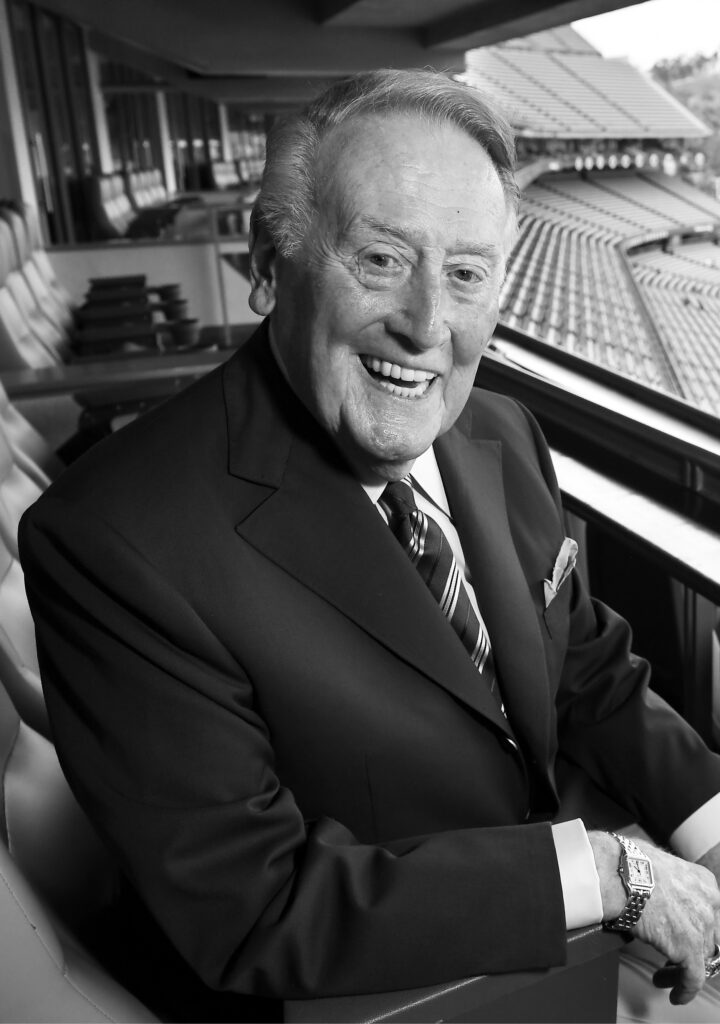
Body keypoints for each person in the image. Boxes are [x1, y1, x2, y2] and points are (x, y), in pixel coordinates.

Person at [18, 69, 720, 1022]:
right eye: (382, 259)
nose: (429, 325)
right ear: (270, 263)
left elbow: (582, 664)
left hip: (558, 933)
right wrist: (610, 875)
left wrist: (712, 834)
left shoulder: (504, 433)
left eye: (468, 274)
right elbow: (253, 908)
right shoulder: (112, 541)